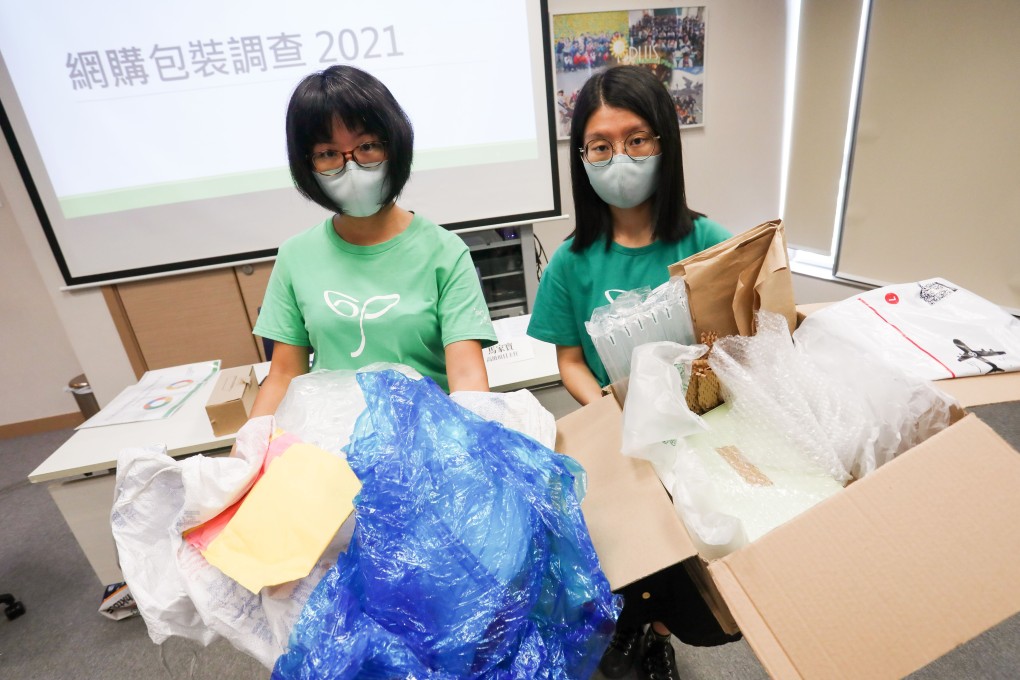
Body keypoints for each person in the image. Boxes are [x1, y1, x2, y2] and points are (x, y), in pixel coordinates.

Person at [526, 65, 734, 680]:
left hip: (703, 428)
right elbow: (567, 361)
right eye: (600, 145)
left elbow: (735, 345)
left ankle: (664, 628)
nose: (620, 156)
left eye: (637, 139)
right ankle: (637, 626)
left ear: (665, 142)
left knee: (697, 561)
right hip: (614, 432)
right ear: (582, 158)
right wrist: (615, 413)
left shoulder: (709, 242)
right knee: (621, 549)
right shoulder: (571, 260)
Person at [250, 65, 497, 418]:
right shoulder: (295, 256)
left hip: (427, 437)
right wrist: (247, 451)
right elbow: (284, 375)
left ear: (393, 145)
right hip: (330, 441)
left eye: (367, 146)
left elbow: (466, 375)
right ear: (308, 165)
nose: (351, 167)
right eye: (328, 154)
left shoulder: (445, 252)